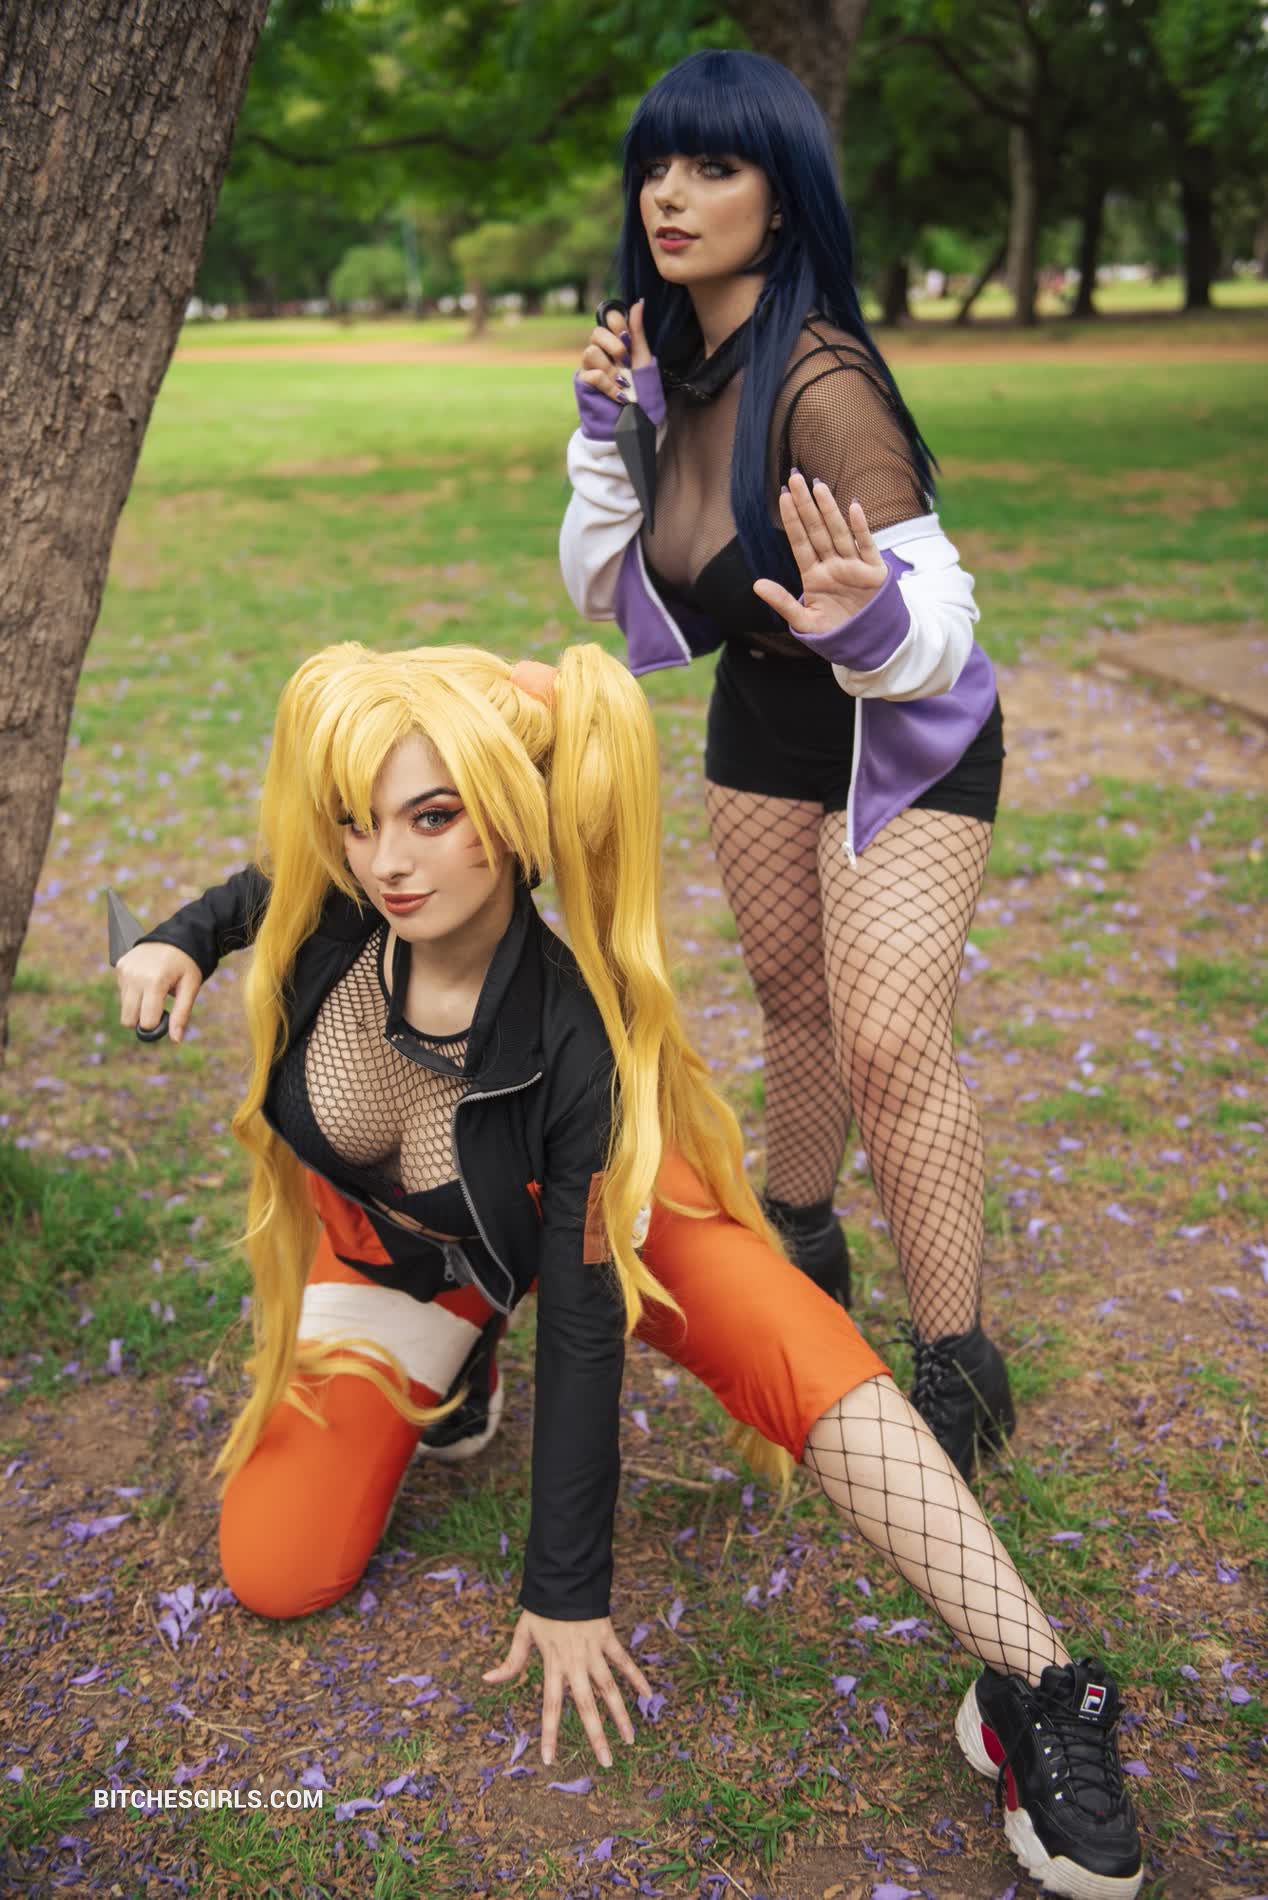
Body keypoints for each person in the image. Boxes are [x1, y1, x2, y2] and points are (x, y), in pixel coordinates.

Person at [116, 642, 1141, 1900]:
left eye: (433, 817)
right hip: (401, 1258)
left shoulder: (576, 1048)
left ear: (514, 818)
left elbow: (587, 1331)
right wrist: (176, 941)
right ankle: (462, 1342)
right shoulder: (335, 905)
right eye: (357, 819)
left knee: (795, 1343)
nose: (387, 861)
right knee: (277, 1568)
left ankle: (1038, 1684)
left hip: (610, 1204)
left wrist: (566, 1591)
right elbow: (263, 885)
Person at [560, 48, 1013, 1481]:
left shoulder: (825, 382)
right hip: (764, 713)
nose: (671, 194)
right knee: (794, 1005)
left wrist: (870, 619)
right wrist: (601, 438)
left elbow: (942, 620)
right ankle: (805, 1254)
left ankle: (959, 1361)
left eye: (715, 166)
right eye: (657, 166)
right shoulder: (669, 364)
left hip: (903, 726)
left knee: (886, 1036)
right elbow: (605, 584)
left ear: (783, 195)